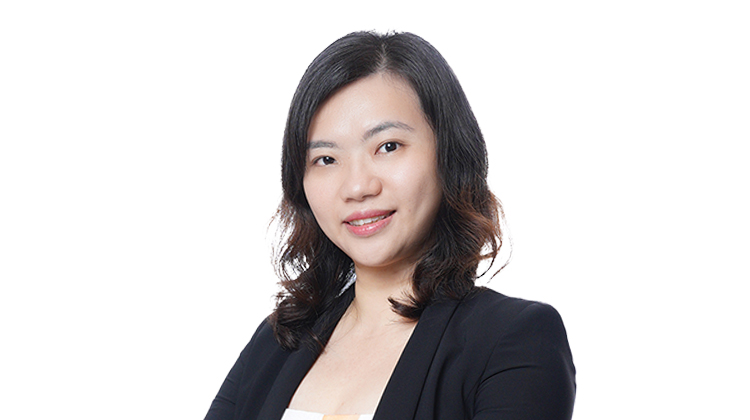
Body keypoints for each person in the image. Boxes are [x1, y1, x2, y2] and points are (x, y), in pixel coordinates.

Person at [204, 31, 575, 420]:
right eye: (326, 159)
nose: (357, 187)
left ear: (449, 153)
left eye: (388, 146)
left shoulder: (515, 339)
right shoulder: (278, 341)